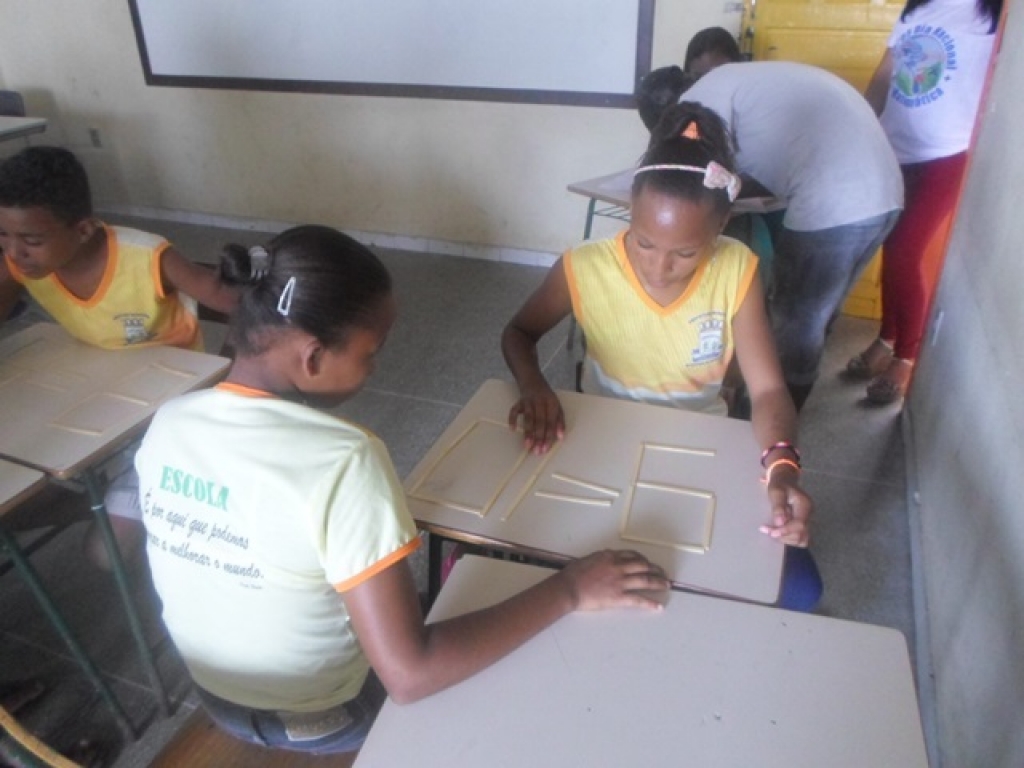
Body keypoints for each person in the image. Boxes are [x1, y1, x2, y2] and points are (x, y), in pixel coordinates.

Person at [134, 225, 670, 755]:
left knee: (443, 592)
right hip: (330, 712)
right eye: (370, 353)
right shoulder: (344, 458)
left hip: (216, 695)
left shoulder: (169, 419)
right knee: (542, 673)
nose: (373, 368)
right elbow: (411, 675)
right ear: (313, 357)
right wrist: (570, 588)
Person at [502, 103, 821, 612]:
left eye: (686, 253)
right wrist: (534, 385)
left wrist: (782, 466)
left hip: (701, 445)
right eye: (644, 243)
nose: (659, 267)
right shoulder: (584, 268)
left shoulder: (736, 270)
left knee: (797, 588)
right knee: (551, 557)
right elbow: (518, 333)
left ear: (721, 227)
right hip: (605, 439)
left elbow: (767, 391)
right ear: (630, 210)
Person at [0, 146, 240, 567]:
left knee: (104, 555)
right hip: (99, 394)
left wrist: (227, 380)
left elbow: (239, 305)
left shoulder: (147, 257)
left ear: (83, 229)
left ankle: (144, 498)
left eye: (31, 240)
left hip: (166, 406)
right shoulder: (20, 264)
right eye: (3, 235)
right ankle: (109, 496)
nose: (15, 252)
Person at [640, 61, 904, 410]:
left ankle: (773, 412)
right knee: (818, 312)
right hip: (885, 193)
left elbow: (700, 183)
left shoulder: (699, 101)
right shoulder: (733, 82)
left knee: (797, 319)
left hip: (837, 199)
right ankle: (788, 391)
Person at [846, 0, 1002, 404]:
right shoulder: (916, 10)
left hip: (946, 155)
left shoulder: (992, 13)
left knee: (905, 249)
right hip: (894, 149)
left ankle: (906, 357)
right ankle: (886, 339)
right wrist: (860, 127)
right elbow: (885, 74)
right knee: (890, 245)